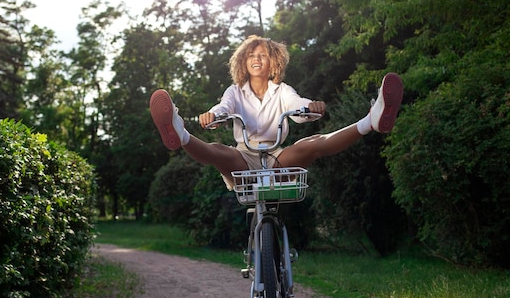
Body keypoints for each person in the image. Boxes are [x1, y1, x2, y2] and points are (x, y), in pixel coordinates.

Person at [149, 35, 403, 190]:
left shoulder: (281, 90)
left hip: (278, 159)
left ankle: (372, 121)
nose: (256, 59)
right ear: (243, 63)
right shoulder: (235, 91)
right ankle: (179, 133)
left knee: (311, 144)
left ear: (273, 63)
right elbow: (223, 108)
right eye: (251, 56)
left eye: (263, 55)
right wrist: (212, 116)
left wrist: (309, 107)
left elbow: (296, 105)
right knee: (218, 150)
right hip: (244, 159)